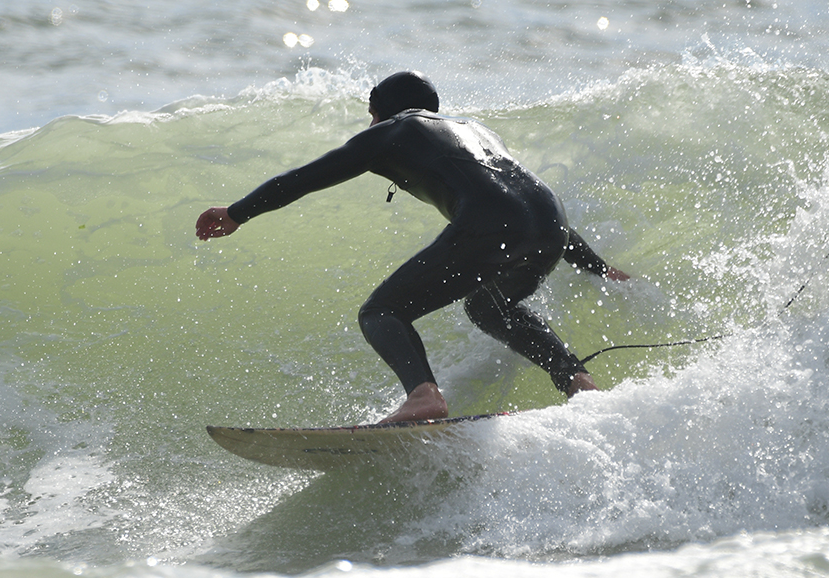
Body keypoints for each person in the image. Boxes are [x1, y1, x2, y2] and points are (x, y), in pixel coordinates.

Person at [196, 71, 629, 423]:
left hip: (492, 219)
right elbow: (525, 205)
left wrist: (237, 213)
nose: (370, 124)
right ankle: (579, 383)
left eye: (371, 113)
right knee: (487, 307)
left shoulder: (393, 131)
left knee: (382, 312)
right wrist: (599, 268)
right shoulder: (474, 130)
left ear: (381, 107)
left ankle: (424, 397)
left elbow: (305, 178)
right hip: (551, 222)